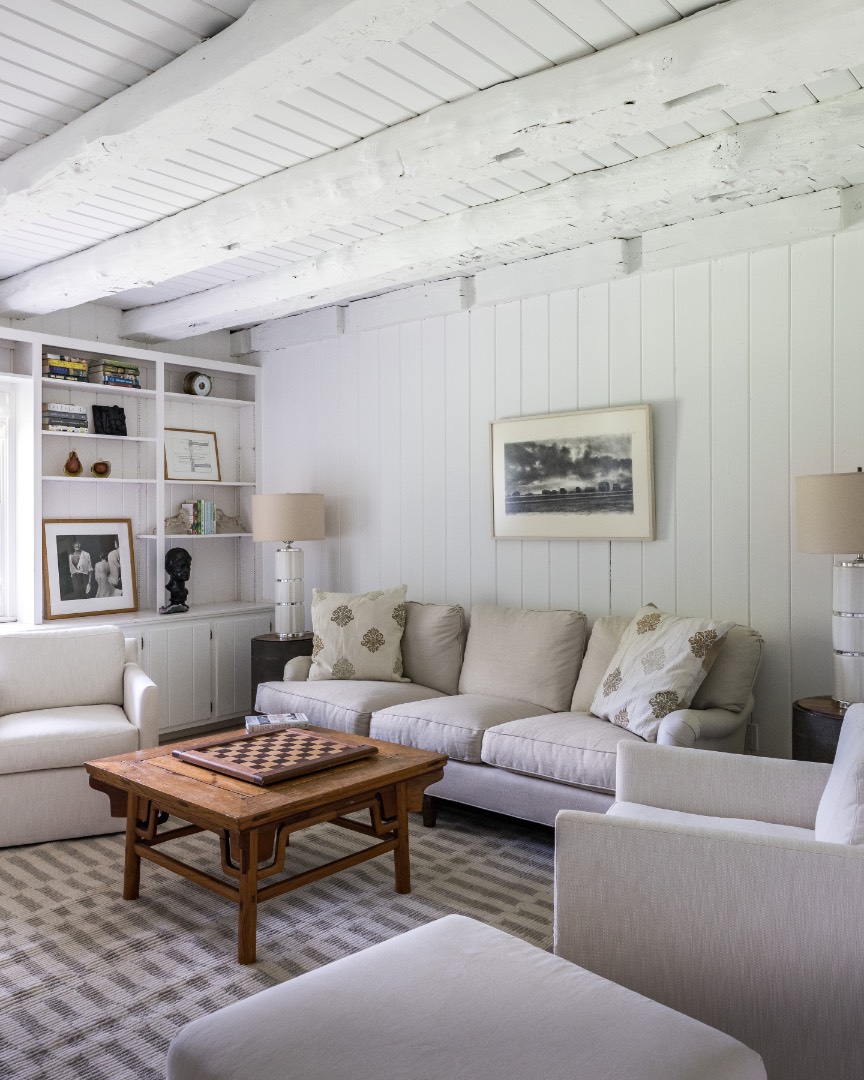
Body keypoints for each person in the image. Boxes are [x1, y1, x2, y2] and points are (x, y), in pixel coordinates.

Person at [159, 547, 192, 614]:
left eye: (188, 566)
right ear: (170, 568)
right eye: (181, 566)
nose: (186, 570)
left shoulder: (184, 591)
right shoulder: (173, 589)